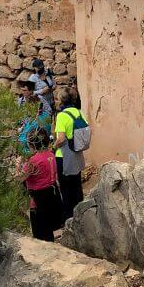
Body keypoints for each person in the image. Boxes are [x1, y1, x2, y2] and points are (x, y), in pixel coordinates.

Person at [18, 128, 63, 241]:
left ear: (31, 144)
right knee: (51, 227)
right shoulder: (51, 155)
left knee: (41, 233)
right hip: (53, 194)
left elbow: (20, 178)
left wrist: (18, 165)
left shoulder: (33, 161)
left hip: (39, 198)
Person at [53, 90, 86, 220]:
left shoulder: (62, 116)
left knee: (66, 189)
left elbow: (60, 139)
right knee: (77, 186)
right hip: (77, 153)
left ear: (62, 101)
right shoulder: (78, 112)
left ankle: (69, 218)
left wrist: (52, 147)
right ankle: (81, 215)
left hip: (64, 156)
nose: (56, 101)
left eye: (57, 99)